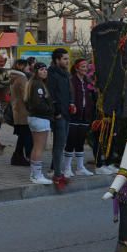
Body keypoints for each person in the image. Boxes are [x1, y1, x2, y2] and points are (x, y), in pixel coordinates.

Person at [65, 58, 96, 176]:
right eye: (83, 67)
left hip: (84, 115)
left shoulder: (87, 81)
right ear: (77, 68)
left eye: (86, 67)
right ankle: (67, 168)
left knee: (80, 142)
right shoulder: (71, 80)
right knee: (70, 141)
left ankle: (80, 167)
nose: (85, 69)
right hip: (73, 115)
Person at [24, 63, 54, 184]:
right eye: (41, 70)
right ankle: (37, 175)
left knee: (36, 147)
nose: (45, 71)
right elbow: (38, 104)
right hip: (40, 118)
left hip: (36, 118)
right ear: (36, 72)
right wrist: (50, 109)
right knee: (39, 148)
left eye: (45, 69)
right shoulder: (37, 84)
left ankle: (35, 174)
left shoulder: (34, 83)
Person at [47, 48, 72, 183]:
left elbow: (67, 93)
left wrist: (71, 104)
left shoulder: (65, 74)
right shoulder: (52, 74)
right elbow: (51, 95)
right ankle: (57, 174)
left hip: (66, 113)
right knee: (59, 144)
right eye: (64, 59)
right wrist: (56, 112)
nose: (67, 61)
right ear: (57, 60)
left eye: (68, 59)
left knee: (62, 144)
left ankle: (55, 169)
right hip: (59, 115)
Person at [8, 59, 32, 166]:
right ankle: (29, 157)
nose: (28, 68)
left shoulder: (13, 77)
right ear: (20, 66)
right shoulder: (22, 78)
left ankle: (17, 156)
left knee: (22, 135)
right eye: (27, 66)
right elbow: (26, 96)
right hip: (24, 111)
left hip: (17, 110)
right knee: (26, 135)